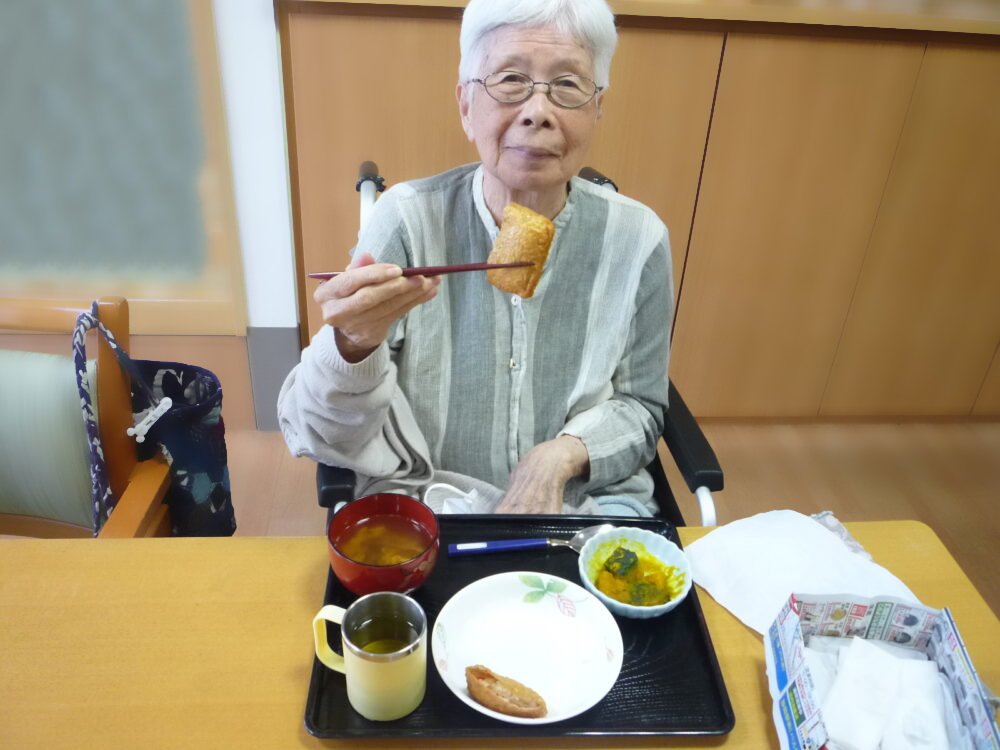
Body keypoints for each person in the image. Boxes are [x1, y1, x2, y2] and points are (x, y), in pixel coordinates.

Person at [278, 0, 672, 516]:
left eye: (568, 85)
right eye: (510, 79)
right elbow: (315, 433)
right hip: (433, 510)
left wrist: (559, 457)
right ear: (466, 105)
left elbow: (642, 407)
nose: (538, 111)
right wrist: (352, 347)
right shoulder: (405, 220)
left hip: (583, 512)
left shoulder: (639, 237)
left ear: (598, 107)